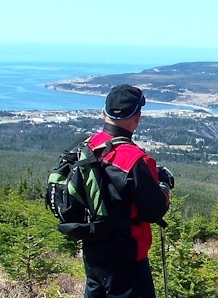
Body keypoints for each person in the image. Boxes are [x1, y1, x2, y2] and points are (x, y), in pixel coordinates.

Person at [82, 84, 172, 298]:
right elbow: (155, 210)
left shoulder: (89, 146)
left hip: (94, 251)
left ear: (104, 113)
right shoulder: (135, 160)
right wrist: (164, 185)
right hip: (128, 258)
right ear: (137, 117)